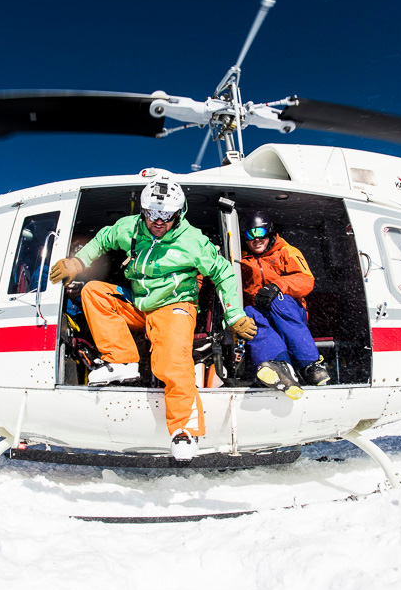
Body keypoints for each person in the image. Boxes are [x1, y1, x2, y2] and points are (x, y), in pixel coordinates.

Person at [49, 176, 257, 460]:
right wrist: (78, 262)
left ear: (178, 212)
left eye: (166, 215)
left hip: (174, 304)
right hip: (139, 301)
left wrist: (234, 313)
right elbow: (103, 239)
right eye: (153, 213)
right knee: (95, 292)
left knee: (171, 358)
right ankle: (121, 360)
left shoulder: (191, 241)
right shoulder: (130, 228)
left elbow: (223, 272)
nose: (158, 221)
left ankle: (184, 429)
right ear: (144, 211)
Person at [240, 212, 330, 400]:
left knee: (278, 300)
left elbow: (306, 280)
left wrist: (278, 286)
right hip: (262, 312)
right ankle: (279, 365)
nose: (256, 239)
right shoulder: (242, 260)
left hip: (288, 310)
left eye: (260, 232)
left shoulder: (286, 251)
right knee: (250, 313)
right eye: (250, 234)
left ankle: (310, 363)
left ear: (270, 232)